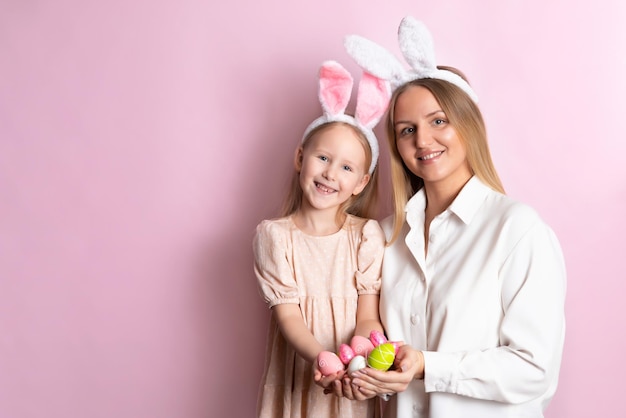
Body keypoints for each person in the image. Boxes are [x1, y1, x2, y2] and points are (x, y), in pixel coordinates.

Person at [340, 17, 567, 418]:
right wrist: (362, 377)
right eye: (406, 130)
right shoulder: (385, 236)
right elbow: (386, 358)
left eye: (438, 121)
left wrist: (429, 366)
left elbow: (535, 369)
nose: (422, 141)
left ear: (468, 124)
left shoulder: (516, 229)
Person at [253, 60, 392, 417]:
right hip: (302, 375)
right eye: (323, 157)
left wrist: (361, 349)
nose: (330, 173)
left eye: (347, 167)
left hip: (352, 381)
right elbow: (290, 319)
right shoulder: (275, 237)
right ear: (301, 158)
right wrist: (322, 357)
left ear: (361, 183)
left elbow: (367, 315)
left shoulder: (365, 236)